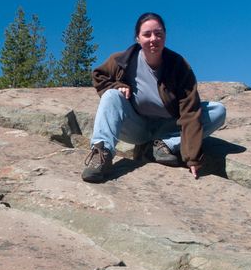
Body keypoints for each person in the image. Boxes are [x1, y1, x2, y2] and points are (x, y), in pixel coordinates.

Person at [82, 12, 226, 183]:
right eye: (147, 34)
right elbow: (99, 75)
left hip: (169, 127)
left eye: (158, 34)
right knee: (111, 96)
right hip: (137, 127)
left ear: (165, 36)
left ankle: (162, 146)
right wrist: (116, 85)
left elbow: (190, 111)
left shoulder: (178, 66)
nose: (153, 39)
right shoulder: (122, 60)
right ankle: (102, 153)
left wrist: (191, 157)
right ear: (137, 38)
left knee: (218, 110)